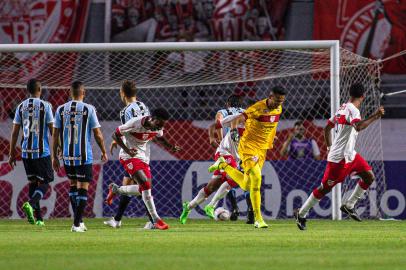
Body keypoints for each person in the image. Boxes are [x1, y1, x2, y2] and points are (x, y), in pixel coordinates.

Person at [294, 83, 385, 230]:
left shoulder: (342, 108)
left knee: (369, 176)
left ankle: (349, 205)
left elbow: (327, 128)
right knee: (324, 189)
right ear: (362, 97)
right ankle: (302, 213)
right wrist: (376, 115)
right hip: (339, 159)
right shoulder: (353, 110)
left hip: (350, 154)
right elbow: (359, 127)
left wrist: (329, 146)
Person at [208, 86, 286, 228]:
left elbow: (273, 125)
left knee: (246, 184)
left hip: (262, 150)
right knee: (256, 178)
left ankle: (222, 165)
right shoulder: (256, 108)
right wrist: (233, 131)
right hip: (248, 147)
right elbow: (236, 120)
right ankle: (258, 219)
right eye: (276, 100)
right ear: (270, 96)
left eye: (281, 101)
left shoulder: (279, 109)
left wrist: (272, 137)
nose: (278, 104)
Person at [111, 108, 181, 230]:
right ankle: (156, 220)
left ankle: (118, 190)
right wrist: (127, 150)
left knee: (143, 188)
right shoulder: (134, 123)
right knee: (145, 184)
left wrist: (170, 146)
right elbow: (115, 134)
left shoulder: (158, 127)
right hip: (128, 156)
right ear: (152, 118)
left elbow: (159, 137)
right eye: (158, 124)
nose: (159, 128)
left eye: (162, 126)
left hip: (143, 157)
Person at [52, 81, 108, 233]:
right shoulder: (89, 109)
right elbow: (97, 134)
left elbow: (55, 134)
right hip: (83, 155)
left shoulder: (61, 109)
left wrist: (54, 156)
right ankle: (76, 224)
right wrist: (103, 150)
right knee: (83, 188)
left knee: (73, 186)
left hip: (67, 155)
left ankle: (80, 221)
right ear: (84, 93)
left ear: (70, 93)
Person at [179, 105, 244, 224]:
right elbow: (217, 123)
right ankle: (211, 206)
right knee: (235, 178)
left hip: (234, 156)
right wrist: (219, 138)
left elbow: (215, 124)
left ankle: (188, 207)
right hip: (225, 152)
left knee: (211, 187)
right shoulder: (244, 116)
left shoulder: (253, 125)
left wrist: (213, 137)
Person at [103, 80, 154, 229]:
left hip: (133, 152)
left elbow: (129, 130)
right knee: (128, 183)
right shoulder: (144, 106)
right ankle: (117, 220)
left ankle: (152, 220)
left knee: (142, 186)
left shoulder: (125, 112)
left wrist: (121, 144)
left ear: (122, 93)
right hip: (145, 148)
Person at [8, 79, 54, 226]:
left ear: (28, 90)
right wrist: (58, 148)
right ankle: (31, 203)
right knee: (45, 182)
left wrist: (11, 154)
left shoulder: (21, 107)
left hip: (26, 151)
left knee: (33, 183)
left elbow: (15, 133)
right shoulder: (46, 106)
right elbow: (53, 129)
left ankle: (38, 219)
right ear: (40, 89)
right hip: (41, 152)